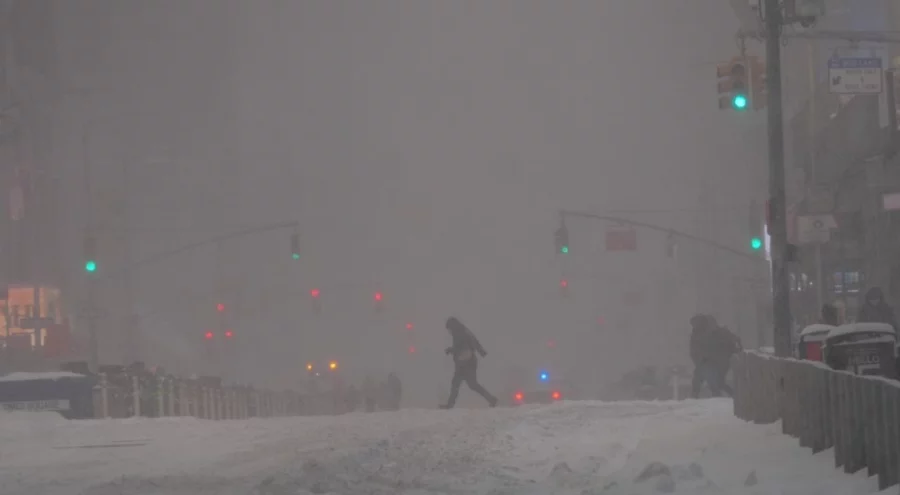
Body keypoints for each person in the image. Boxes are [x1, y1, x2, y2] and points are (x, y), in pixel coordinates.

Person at [440, 317, 498, 409]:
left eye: (449, 329)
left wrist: (450, 350)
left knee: (465, 384)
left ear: (452, 326)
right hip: (466, 362)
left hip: (466, 363)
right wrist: (481, 351)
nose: (449, 332)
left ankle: (492, 399)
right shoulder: (463, 331)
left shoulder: (459, 333)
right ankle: (491, 399)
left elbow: (462, 347)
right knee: (463, 384)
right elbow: (473, 340)